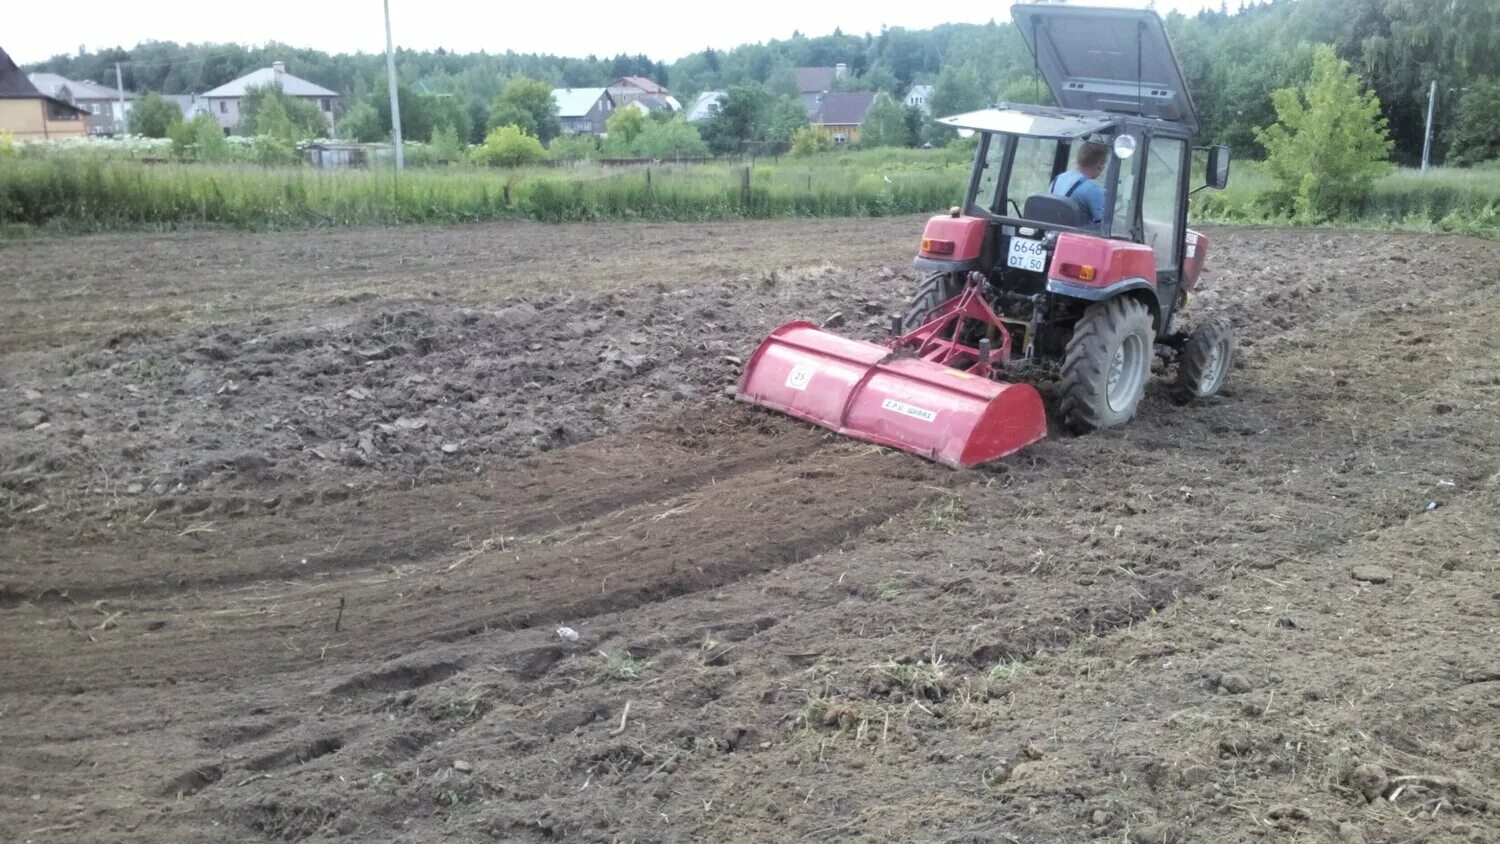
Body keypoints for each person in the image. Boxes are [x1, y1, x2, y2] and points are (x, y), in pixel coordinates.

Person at [1049, 141, 1109, 230]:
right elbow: (1105, 226)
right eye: (1105, 164)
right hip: (1075, 238)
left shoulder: (1057, 179)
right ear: (1099, 165)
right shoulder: (1092, 189)